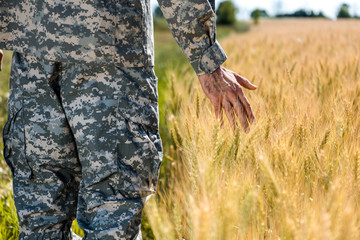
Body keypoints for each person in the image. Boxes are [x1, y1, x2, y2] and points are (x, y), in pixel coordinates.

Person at [0, 0, 256, 239]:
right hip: (110, 48)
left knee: (42, 219)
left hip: (37, 54)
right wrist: (206, 58)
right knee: (108, 218)